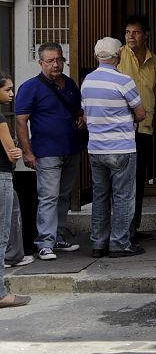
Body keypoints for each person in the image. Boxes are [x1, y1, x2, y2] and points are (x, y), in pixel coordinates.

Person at [15, 42, 83, 261]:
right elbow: (21, 121)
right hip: (46, 151)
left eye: (59, 60)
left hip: (71, 149)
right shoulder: (30, 87)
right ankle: (44, 242)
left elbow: (78, 108)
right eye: (51, 61)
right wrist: (27, 151)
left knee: (63, 195)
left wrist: (81, 117)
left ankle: (57, 236)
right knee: (48, 196)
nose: (56, 64)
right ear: (40, 62)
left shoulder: (70, 84)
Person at [81, 38, 148, 258]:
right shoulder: (123, 80)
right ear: (118, 55)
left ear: (96, 56)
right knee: (123, 197)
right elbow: (140, 113)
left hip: (96, 149)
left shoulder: (87, 82)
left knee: (100, 196)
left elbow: (86, 111)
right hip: (121, 147)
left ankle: (98, 243)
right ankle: (120, 243)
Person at [117, 14, 156, 242]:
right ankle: (120, 230)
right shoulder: (118, 54)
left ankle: (133, 227)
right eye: (127, 32)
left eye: (135, 32)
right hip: (121, 127)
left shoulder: (154, 60)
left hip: (144, 127)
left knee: (138, 179)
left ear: (145, 34)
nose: (130, 37)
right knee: (121, 181)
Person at [0, 73, 32, 307]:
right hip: (1, 177)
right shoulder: (0, 118)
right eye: (8, 89)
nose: (12, 94)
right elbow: (12, 154)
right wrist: (18, 152)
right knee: (2, 237)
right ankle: (2, 293)